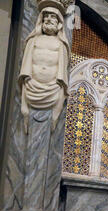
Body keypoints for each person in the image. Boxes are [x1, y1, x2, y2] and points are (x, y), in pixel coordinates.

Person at [18, 6, 70, 134]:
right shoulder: (33, 41)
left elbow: (62, 77)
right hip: (32, 87)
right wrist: (24, 105)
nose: (48, 19)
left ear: (59, 23)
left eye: (53, 17)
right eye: (46, 16)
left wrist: (56, 112)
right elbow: (25, 72)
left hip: (52, 90)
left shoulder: (61, 44)